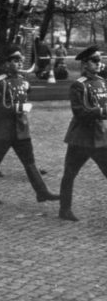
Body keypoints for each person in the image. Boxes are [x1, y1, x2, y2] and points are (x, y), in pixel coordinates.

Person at [0, 45, 59, 204]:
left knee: (30, 162)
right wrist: (19, 107)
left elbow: (25, 92)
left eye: (21, 60)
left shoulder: (23, 81)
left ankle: (42, 192)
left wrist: (26, 88)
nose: (19, 63)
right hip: (2, 129)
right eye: (15, 60)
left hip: (20, 129)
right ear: (7, 62)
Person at [58, 46, 107, 221]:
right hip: (81, 138)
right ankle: (64, 209)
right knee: (70, 174)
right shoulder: (78, 85)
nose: (99, 63)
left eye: (100, 60)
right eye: (95, 60)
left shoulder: (101, 82)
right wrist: (101, 111)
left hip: (100, 137)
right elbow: (79, 111)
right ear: (85, 64)